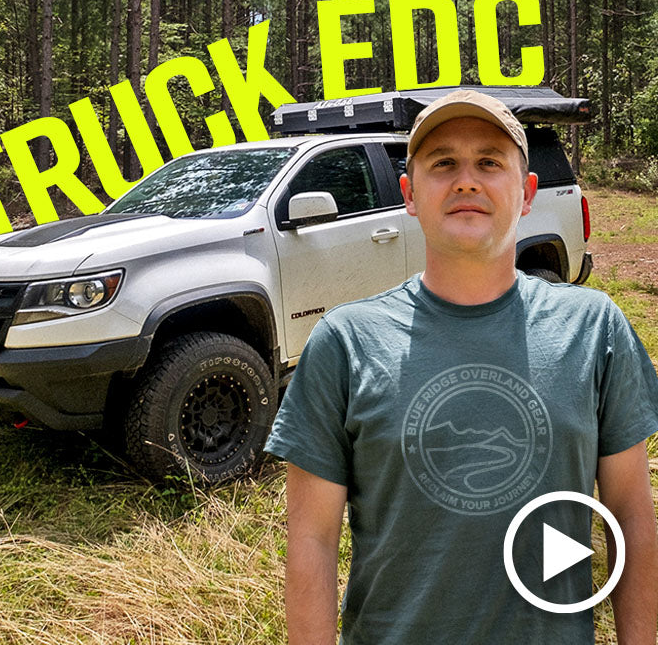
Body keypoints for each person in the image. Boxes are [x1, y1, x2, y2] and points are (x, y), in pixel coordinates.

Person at [264, 89, 658, 645]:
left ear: (526, 195)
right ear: (409, 194)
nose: (466, 180)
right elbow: (311, 540)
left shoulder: (595, 329)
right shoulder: (345, 342)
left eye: (489, 163)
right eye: (443, 163)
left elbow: (631, 522)